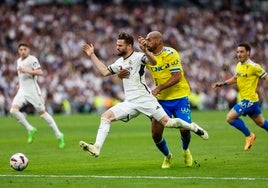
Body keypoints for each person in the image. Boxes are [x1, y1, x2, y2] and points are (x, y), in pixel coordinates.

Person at [79, 32, 208, 158]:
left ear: (129, 46)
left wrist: (146, 51)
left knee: (168, 123)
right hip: (130, 102)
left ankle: (193, 127)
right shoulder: (119, 62)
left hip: (146, 99)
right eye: (117, 45)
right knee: (106, 117)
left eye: (120, 45)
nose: (117, 47)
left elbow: (154, 62)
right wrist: (92, 55)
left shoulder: (139, 57)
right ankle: (96, 147)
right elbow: (104, 71)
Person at [142, 31, 205, 168]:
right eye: (146, 40)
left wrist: (158, 88)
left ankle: (185, 150)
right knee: (155, 134)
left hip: (179, 97)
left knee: (184, 130)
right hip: (161, 100)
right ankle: (167, 156)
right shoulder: (147, 57)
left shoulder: (171, 54)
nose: (146, 42)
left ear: (158, 41)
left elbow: (176, 77)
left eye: (149, 39)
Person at [212, 43, 268, 151]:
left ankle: (249, 135)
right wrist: (222, 84)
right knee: (261, 122)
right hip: (248, 100)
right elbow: (235, 78)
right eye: (237, 52)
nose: (239, 54)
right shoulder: (239, 65)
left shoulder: (254, 67)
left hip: (250, 100)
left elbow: (266, 77)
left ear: (248, 52)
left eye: (241, 52)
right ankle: (250, 135)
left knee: (230, 118)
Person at [10, 42, 65, 149]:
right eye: (20, 49)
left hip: (32, 91)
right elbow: (22, 77)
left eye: (24, 49)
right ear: (18, 51)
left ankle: (59, 135)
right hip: (22, 91)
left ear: (28, 50)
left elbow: (40, 72)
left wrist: (25, 70)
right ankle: (30, 129)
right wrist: (19, 84)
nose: (22, 51)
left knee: (43, 114)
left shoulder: (32, 59)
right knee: (13, 111)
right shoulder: (18, 61)